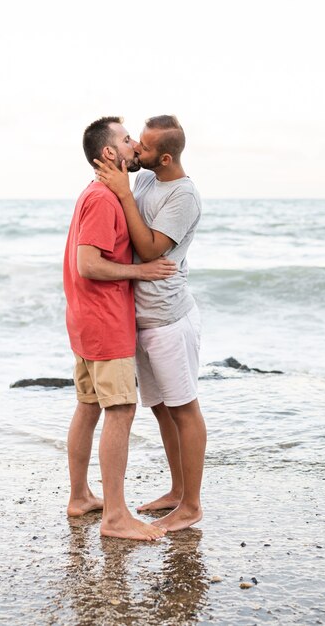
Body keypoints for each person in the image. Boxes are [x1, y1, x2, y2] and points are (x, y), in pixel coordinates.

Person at [63, 116, 177, 540]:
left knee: (89, 406)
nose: (134, 145)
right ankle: (115, 517)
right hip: (104, 320)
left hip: (85, 318)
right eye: (127, 139)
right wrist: (143, 270)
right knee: (121, 411)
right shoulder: (103, 200)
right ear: (109, 153)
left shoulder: (100, 193)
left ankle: (81, 498)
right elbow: (87, 264)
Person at [94, 115, 207, 532]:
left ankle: (192, 505)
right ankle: (177, 492)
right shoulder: (143, 179)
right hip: (139, 318)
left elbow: (150, 248)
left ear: (164, 157)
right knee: (161, 409)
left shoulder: (184, 196)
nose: (135, 151)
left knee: (185, 409)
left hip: (168, 320)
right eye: (133, 143)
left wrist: (123, 194)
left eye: (142, 147)